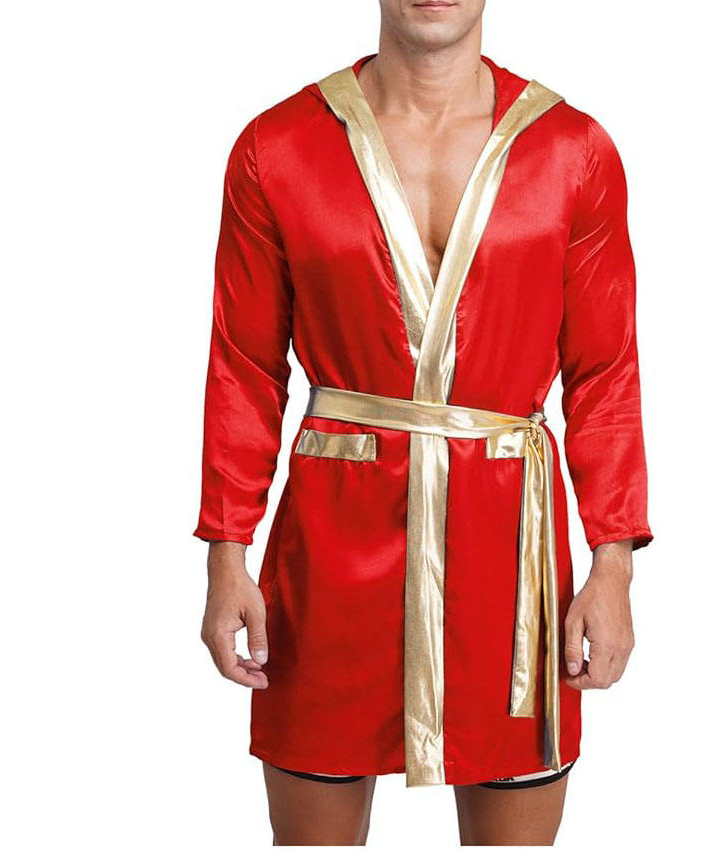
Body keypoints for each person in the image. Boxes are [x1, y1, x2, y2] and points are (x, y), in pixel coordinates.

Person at [193, 0, 653, 844]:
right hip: (331, 549)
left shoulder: (572, 150)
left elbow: (604, 372)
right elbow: (244, 367)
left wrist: (612, 562)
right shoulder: (277, 148)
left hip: (509, 553)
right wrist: (227, 552)